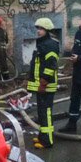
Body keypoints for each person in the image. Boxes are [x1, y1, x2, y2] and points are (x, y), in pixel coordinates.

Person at [25, 17, 59, 149]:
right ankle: (42, 136)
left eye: (41, 29)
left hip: (46, 86)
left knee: (46, 113)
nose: (38, 31)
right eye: (38, 28)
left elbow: (51, 66)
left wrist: (43, 83)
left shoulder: (50, 45)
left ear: (47, 30)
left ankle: (47, 141)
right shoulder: (42, 43)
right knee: (41, 113)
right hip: (41, 85)